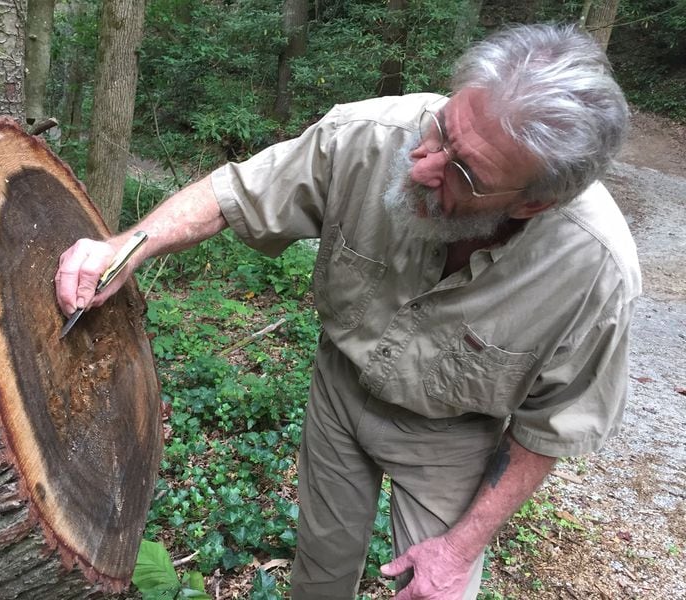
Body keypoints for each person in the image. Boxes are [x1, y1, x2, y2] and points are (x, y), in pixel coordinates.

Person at [55, 24, 641, 600]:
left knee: (437, 590)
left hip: (452, 435)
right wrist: (125, 247)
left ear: (534, 202)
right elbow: (234, 194)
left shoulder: (594, 270)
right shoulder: (368, 134)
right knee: (320, 568)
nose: (421, 165)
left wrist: (459, 549)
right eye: (441, 131)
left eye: (463, 173)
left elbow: (552, 425)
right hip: (341, 388)